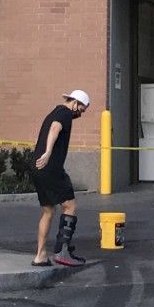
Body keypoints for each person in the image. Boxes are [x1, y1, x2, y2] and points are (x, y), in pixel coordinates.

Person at [31, 88, 90, 270]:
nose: (79, 114)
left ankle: (40, 255)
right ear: (75, 103)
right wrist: (48, 152)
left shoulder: (55, 111)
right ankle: (62, 251)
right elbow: (55, 128)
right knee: (70, 205)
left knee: (48, 210)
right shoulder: (64, 113)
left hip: (37, 167)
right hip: (51, 168)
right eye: (81, 110)